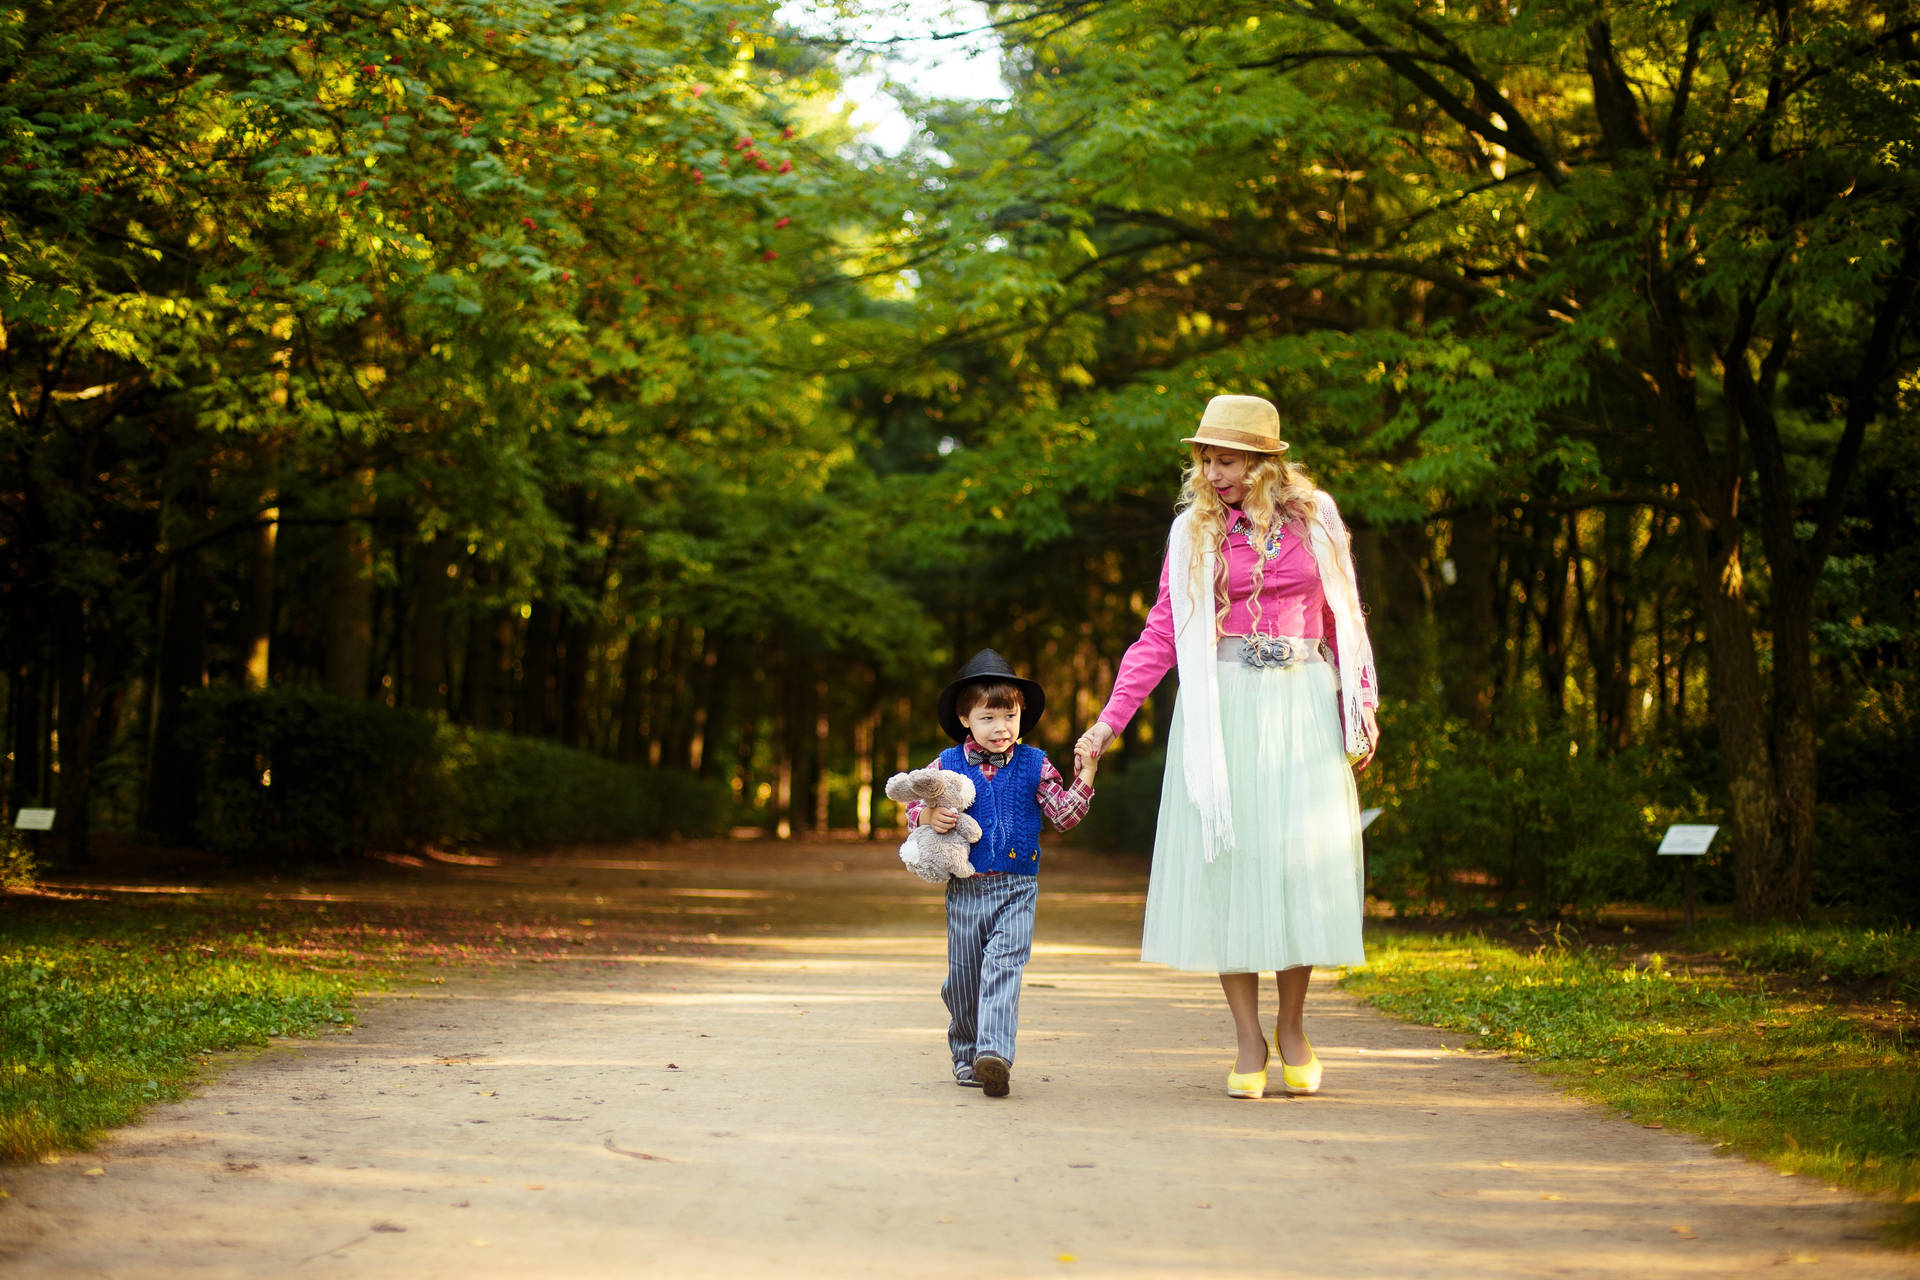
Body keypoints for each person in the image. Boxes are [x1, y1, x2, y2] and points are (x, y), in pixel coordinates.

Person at [1076, 394, 1379, 1100]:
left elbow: (1344, 618)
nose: (1214, 471)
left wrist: (1357, 707)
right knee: (1232, 867)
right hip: (1226, 707)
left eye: (1228, 458)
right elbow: (1160, 634)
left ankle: (1294, 1026)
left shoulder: (1317, 519)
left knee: (1296, 867)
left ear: (1266, 461)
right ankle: (1248, 1037)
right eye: (1206, 458)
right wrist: (1106, 724)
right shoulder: (1194, 533)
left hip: (1302, 702)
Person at [901, 648, 1099, 1098]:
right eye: (989, 717)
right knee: (965, 980)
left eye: (1009, 715)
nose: (1001, 727)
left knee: (1004, 968)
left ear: (1021, 715)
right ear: (965, 718)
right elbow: (914, 802)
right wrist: (929, 816)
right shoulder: (945, 765)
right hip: (966, 889)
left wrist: (1086, 773)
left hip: (1017, 888)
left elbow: (1064, 816)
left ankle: (995, 1054)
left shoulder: (1036, 764)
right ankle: (968, 1051)